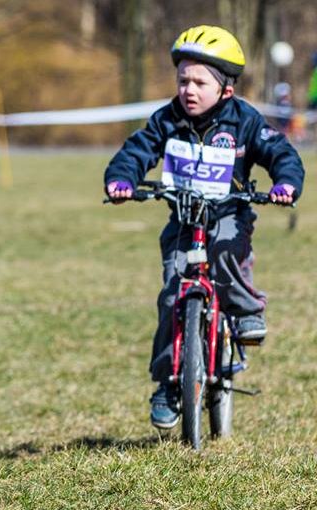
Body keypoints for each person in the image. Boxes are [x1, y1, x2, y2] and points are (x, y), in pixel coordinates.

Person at [104, 25, 304, 429]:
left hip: (229, 211)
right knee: (171, 298)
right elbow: (137, 150)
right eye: (183, 80)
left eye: (200, 82)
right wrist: (121, 180)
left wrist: (285, 184)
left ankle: (246, 311)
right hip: (183, 217)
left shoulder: (245, 121)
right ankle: (167, 385)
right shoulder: (167, 120)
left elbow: (281, 152)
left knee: (228, 251)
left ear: (225, 89)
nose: (188, 90)